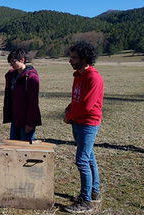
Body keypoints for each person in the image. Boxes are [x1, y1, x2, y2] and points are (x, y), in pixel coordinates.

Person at [64, 41, 104, 214]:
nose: (70, 60)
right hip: (78, 122)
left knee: (82, 160)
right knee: (89, 158)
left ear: (84, 58)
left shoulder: (93, 78)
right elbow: (77, 99)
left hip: (88, 123)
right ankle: (94, 191)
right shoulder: (78, 75)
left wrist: (69, 115)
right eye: (70, 57)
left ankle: (85, 200)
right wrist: (69, 108)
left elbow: (87, 106)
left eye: (74, 57)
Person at [3, 48, 41, 141]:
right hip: (15, 119)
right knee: (13, 147)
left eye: (13, 61)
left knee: (26, 149)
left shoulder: (31, 77)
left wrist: (30, 123)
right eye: (10, 62)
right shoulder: (12, 75)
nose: (11, 64)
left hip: (26, 120)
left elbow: (33, 102)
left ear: (22, 60)